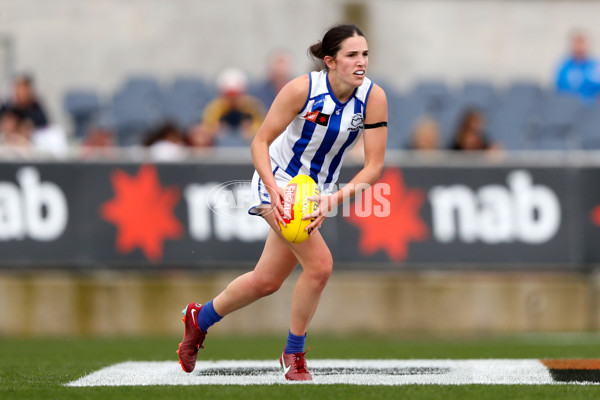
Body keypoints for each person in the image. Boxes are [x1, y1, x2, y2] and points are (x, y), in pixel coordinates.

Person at [177, 24, 388, 381]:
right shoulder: (302, 89)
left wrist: (331, 200)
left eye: (364, 54)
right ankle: (293, 353)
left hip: (318, 192)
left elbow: (374, 167)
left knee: (266, 281)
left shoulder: (373, 97)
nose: (361, 62)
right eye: (352, 55)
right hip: (278, 181)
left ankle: (200, 318)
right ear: (330, 61)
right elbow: (259, 142)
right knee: (320, 266)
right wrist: (274, 189)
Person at [200, 68, 267, 147]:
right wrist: (217, 130)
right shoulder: (214, 108)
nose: (232, 100)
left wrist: (252, 130)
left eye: (236, 95)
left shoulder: (253, 106)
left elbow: (264, 126)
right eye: (229, 96)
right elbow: (207, 128)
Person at [555, 30, 600, 103]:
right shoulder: (565, 67)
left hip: (592, 108)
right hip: (570, 107)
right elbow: (560, 89)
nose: (580, 47)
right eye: (577, 43)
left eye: (582, 43)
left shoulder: (595, 66)